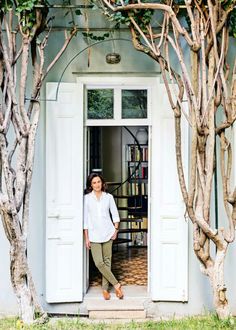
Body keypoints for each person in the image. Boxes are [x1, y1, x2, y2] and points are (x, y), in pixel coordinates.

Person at [83, 172, 124, 300]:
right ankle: (117, 285)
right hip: (94, 235)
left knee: (107, 262)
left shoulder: (109, 197)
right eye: (94, 182)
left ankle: (105, 290)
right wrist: (86, 237)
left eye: (99, 182)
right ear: (91, 185)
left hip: (108, 232)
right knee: (99, 263)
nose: (97, 185)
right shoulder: (87, 198)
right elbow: (85, 219)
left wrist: (115, 230)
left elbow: (115, 215)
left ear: (102, 183)